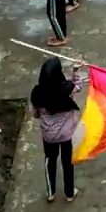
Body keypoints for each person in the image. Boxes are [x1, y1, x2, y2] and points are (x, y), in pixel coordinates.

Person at [30, 57, 85, 202]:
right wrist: (75, 71)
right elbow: (78, 86)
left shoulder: (37, 93)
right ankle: (69, 193)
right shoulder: (66, 89)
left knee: (50, 160)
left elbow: (35, 113)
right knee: (68, 162)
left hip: (48, 135)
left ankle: (50, 192)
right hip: (67, 135)